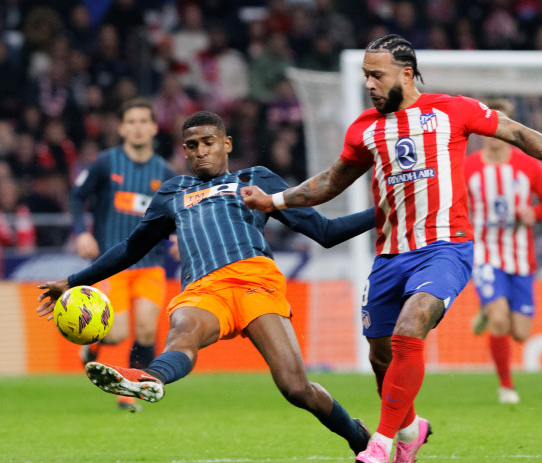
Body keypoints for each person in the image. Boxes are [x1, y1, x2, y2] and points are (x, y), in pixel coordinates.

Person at [240, 34, 542, 463]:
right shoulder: (365, 128)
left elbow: (516, 131)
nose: (369, 84)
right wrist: (275, 201)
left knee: (411, 325)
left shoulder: (451, 110)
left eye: (376, 75)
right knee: (381, 358)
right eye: (365, 76)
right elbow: (329, 182)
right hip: (390, 255)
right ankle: (410, 428)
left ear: (406, 73)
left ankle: (381, 442)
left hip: (445, 248)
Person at [37, 111, 375, 456]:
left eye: (208, 143)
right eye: (192, 146)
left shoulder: (255, 179)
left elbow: (326, 232)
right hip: (203, 288)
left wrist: (384, 210)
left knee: (295, 387)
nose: (200, 151)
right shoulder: (174, 192)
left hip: (254, 282)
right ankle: (150, 378)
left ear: (226, 144)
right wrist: (72, 281)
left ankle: (357, 435)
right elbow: (131, 248)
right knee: (182, 333)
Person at [69, 98, 176, 411]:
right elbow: (77, 197)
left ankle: (129, 392)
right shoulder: (106, 163)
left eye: (144, 121)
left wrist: (179, 237)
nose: (138, 127)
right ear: (121, 128)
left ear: (154, 127)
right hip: (113, 264)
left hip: (151, 263)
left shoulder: (165, 173)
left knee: (145, 329)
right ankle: (93, 347)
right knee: (116, 334)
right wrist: (83, 232)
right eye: (132, 121)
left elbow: (177, 213)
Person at [465, 98, 542, 404]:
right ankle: (506, 386)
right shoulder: (468, 167)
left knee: (520, 333)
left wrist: (534, 213)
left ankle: (487, 308)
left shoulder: (528, 165)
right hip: (485, 253)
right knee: (500, 321)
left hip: (520, 256)